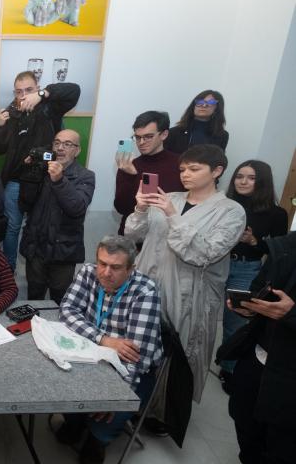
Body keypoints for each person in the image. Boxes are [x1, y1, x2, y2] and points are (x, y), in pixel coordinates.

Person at [125, 144, 245, 401]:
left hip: (189, 294)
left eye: (194, 169)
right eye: (182, 169)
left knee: (177, 354)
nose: (185, 174)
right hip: (147, 284)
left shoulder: (231, 211)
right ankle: (127, 399)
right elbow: (133, 235)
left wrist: (172, 215)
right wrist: (141, 209)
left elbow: (206, 254)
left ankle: (161, 412)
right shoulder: (172, 197)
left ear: (217, 171)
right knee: (137, 344)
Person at [57, 235, 163, 464]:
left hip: (130, 369)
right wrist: (103, 339)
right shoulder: (88, 272)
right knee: (63, 391)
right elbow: (66, 310)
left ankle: (97, 441)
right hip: (92, 350)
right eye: (102, 264)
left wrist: (116, 398)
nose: (105, 272)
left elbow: (136, 357)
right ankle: (75, 422)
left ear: (131, 269)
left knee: (103, 420)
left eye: (115, 267)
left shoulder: (145, 291)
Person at [222, 231, 296, 464]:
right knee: (244, 421)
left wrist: (292, 315)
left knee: (281, 445)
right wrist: (249, 306)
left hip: (289, 376)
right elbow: (259, 288)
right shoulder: (286, 246)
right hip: (259, 357)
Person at [0, 71, 80, 269]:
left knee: (39, 226)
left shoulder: (51, 107)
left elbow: (74, 90)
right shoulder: (10, 113)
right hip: (16, 180)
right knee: (12, 227)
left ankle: (37, 274)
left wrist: (43, 95)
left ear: (37, 87)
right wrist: (0, 126)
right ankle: (9, 272)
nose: (23, 95)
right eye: (19, 91)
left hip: (46, 179)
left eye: (29, 90)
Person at [217, 160, 288, 390]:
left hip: (247, 268)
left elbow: (277, 249)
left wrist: (254, 241)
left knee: (236, 322)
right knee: (202, 317)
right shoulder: (222, 204)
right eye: (239, 176)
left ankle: (229, 370)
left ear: (263, 181)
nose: (243, 181)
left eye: (250, 177)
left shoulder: (277, 213)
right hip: (216, 264)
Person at [20, 129, 95, 304]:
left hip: (64, 252)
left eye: (67, 144)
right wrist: (30, 174)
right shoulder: (42, 170)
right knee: (34, 299)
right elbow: (24, 204)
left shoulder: (86, 176)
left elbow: (76, 208)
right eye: (57, 143)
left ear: (77, 151)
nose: (60, 148)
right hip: (36, 248)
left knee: (61, 301)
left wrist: (60, 180)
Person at [114, 111, 183, 235]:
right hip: (132, 236)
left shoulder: (181, 164)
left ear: (164, 134)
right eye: (138, 137)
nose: (141, 142)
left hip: (165, 236)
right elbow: (122, 208)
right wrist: (131, 176)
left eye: (148, 136)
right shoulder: (129, 166)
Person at [164, 90, 229, 154]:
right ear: (193, 106)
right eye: (200, 102)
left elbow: (218, 160)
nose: (204, 105)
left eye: (210, 102)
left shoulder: (222, 135)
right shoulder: (174, 132)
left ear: (217, 108)